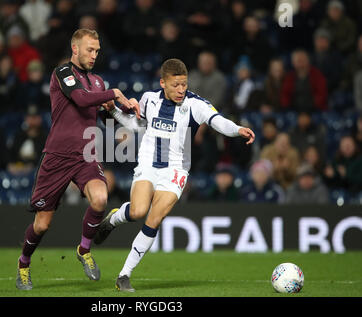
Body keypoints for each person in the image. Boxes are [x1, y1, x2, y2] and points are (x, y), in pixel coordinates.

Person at [96, 58, 255, 292]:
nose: (181, 90)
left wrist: (237, 129)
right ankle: (114, 218)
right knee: (138, 211)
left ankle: (124, 275)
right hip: (148, 164)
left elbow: (217, 120)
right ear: (163, 83)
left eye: (184, 84)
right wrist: (115, 112)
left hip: (176, 170)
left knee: (154, 217)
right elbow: (137, 126)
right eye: (176, 85)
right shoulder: (149, 99)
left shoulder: (195, 104)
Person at [15, 29, 139, 290]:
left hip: (86, 155)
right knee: (42, 224)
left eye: (97, 51)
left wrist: (126, 109)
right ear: (75, 49)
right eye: (89, 50)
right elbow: (81, 99)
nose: (94, 55)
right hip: (57, 156)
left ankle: (84, 250)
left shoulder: (98, 82)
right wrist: (114, 93)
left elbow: (103, 116)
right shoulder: (62, 73)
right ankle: (23, 265)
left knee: (101, 198)